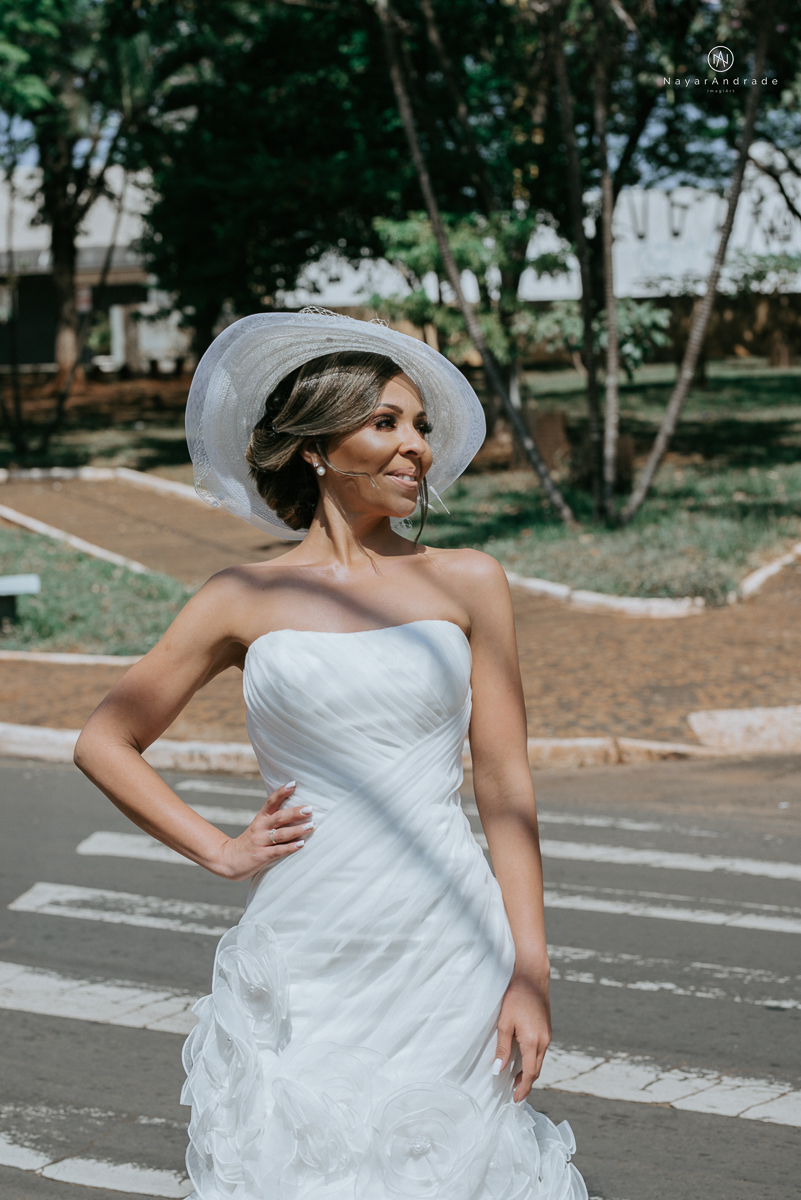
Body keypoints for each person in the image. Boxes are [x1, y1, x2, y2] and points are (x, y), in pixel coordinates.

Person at [75, 310, 586, 1200]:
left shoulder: (467, 581)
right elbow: (104, 739)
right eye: (385, 422)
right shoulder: (241, 596)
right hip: (309, 942)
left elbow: (505, 784)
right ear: (316, 447)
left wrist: (529, 973)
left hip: (446, 940)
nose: (414, 447)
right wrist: (219, 849)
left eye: (420, 426)